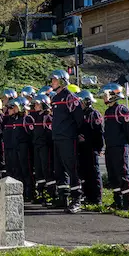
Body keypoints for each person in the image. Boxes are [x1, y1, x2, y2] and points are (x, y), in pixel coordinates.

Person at [49, 69, 84, 213]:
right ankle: (63, 197)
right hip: (57, 138)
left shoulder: (70, 97)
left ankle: (77, 199)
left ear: (63, 81)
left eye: (55, 80)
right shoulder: (55, 98)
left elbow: (79, 118)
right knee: (59, 169)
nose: (52, 82)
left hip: (68, 138)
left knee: (72, 168)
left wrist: (78, 133)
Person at [100, 83, 129, 210]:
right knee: (112, 174)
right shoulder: (108, 111)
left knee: (122, 172)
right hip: (110, 147)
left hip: (120, 146)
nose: (103, 98)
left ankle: (128, 202)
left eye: (105, 95)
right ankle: (117, 200)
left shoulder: (121, 110)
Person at [76, 90, 104, 205]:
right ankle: (87, 195)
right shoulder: (81, 114)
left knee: (94, 172)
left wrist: (99, 148)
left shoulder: (94, 114)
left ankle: (97, 197)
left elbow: (99, 132)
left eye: (81, 102)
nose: (80, 105)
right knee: (84, 173)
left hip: (92, 148)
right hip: (82, 148)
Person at [30, 94, 55, 206]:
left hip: (45, 147)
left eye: (37, 104)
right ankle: (41, 193)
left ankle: (51, 194)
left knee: (47, 169)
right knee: (39, 170)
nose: (35, 106)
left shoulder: (47, 117)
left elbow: (50, 134)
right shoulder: (36, 117)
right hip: (37, 146)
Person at [10, 97, 34, 201]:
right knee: (18, 169)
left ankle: (30, 192)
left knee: (26, 169)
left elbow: (30, 133)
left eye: (15, 106)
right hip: (16, 147)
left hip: (24, 147)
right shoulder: (15, 119)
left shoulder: (27, 119)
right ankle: (21, 191)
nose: (13, 109)